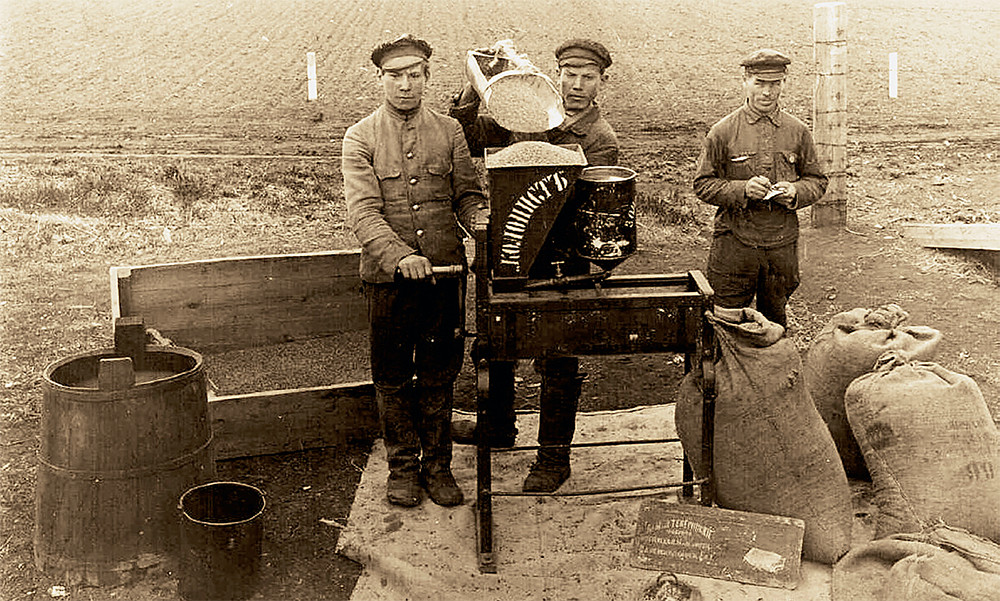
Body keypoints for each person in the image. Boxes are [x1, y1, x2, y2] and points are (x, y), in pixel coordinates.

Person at [449, 38, 619, 493]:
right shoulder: (526, 110)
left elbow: (590, 210)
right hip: (509, 252)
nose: (576, 85)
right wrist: (477, 81)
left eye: (587, 78)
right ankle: (497, 427)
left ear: (601, 83)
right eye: (569, 75)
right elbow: (468, 135)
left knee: (557, 358)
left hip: (561, 262)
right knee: (494, 343)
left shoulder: (599, 139)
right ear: (556, 75)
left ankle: (553, 458)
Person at [342, 34, 489, 508]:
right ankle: (402, 470)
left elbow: (467, 195)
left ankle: (438, 467)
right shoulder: (360, 136)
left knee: (438, 374)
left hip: (445, 276)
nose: (405, 85)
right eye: (395, 76)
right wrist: (400, 256)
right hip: (388, 280)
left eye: (413, 75)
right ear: (380, 79)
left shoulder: (450, 131)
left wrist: (481, 222)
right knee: (391, 377)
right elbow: (364, 211)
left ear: (426, 77)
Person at [693, 48, 828, 329]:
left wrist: (796, 192)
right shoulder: (723, 131)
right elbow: (703, 184)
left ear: (784, 83)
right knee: (725, 321)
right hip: (734, 243)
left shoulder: (797, 131)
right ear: (745, 81)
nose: (767, 92)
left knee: (775, 322)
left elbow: (817, 180)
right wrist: (742, 189)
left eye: (775, 84)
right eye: (760, 83)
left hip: (781, 245)